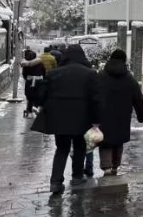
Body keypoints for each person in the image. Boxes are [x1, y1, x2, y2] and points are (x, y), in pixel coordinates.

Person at [33, 44, 101, 194]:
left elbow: (42, 95)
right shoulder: (90, 74)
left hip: (59, 119)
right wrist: (96, 120)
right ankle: (77, 176)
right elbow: (96, 99)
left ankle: (55, 182)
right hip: (82, 119)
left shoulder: (54, 73)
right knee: (80, 147)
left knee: (62, 149)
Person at [97, 49, 143, 176]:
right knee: (118, 140)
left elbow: (93, 95)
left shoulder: (101, 76)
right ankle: (115, 166)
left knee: (105, 141)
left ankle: (106, 167)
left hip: (104, 115)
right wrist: (141, 116)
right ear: (124, 61)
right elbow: (138, 98)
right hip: (122, 116)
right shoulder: (129, 78)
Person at [22, 50, 46, 118]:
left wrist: (27, 79)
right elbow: (44, 72)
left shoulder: (26, 64)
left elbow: (24, 74)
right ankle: (35, 106)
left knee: (29, 97)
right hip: (39, 81)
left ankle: (29, 112)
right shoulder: (40, 63)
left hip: (30, 81)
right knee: (38, 95)